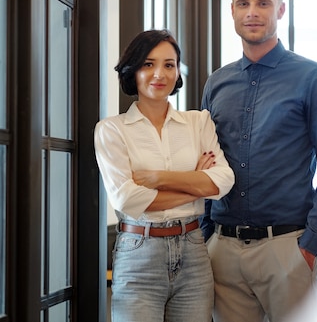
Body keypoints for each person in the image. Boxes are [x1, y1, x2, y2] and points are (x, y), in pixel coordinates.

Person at [200, 0, 317, 322]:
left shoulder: (314, 78)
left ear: (281, 10)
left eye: (264, 3)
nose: (252, 12)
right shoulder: (216, 84)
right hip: (223, 250)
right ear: (232, 9)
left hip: (287, 249)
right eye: (243, 3)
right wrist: (207, 237)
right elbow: (205, 164)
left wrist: (309, 247)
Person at [94, 29, 235, 322]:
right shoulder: (112, 130)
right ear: (133, 70)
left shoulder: (199, 121)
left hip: (194, 250)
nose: (159, 73)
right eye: (148, 64)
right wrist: (196, 182)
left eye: (169, 65)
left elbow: (223, 181)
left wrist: (158, 178)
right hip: (138, 252)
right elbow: (128, 198)